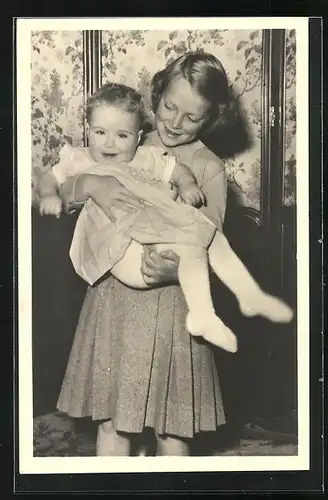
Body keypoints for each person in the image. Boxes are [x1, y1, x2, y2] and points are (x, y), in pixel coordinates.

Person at [53, 52, 291, 456]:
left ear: (211, 119)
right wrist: (91, 184)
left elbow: (210, 240)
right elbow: (63, 191)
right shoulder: (123, 138)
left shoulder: (208, 167)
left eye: (192, 117)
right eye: (169, 107)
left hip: (177, 310)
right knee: (113, 421)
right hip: (115, 299)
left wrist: (174, 267)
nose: (176, 122)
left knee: (173, 426)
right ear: (156, 96)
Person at [38, 83, 292, 352]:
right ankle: (208, 312)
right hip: (120, 248)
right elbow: (51, 179)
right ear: (88, 130)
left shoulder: (146, 157)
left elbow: (177, 170)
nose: (109, 143)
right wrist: (48, 195)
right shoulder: (81, 159)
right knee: (189, 246)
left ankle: (240, 298)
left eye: (121, 135)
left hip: (155, 234)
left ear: (137, 137)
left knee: (208, 236)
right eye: (100, 132)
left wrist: (187, 185)